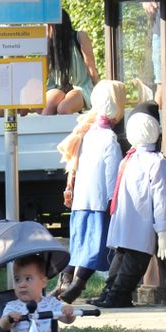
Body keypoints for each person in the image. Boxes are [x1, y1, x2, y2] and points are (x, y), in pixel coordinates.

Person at [90, 112, 166, 308]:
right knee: (124, 256)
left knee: (130, 258)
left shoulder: (150, 161)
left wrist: (163, 229)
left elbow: (162, 197)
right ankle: (112, 292)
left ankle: (116, 294)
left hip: (136, 220)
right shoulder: (138, 160)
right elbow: (162, 195)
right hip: (131, 220)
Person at [56, 81, 124, 303]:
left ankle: (65, 278)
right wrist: (113, 201)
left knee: (79, 245)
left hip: (82, 201)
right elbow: (112, 174)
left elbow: (74, 167)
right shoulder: (109, 139)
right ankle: (77, 284)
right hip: (99, 202)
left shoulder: (86, 133)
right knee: (95, 247)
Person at [43, 11, 99, 116]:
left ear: (53, 26)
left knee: (63, 109)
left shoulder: (80, 36)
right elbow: (43, 73)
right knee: (48, 108)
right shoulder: (48, 43)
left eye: (46, 25)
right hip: (58, 87)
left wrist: (98, 90)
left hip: (80, 87)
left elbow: (91, 68)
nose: (44, 28)